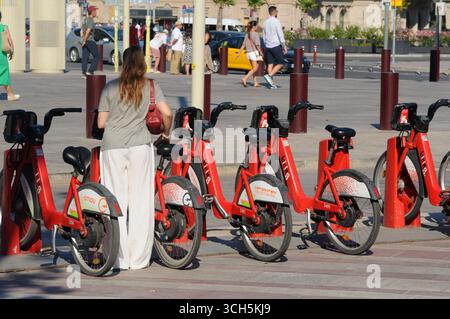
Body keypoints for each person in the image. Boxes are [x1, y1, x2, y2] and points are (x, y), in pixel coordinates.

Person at [97, 46, 173, 270]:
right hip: (140, 146)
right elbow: (167, 113)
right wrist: (166, 133)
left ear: (123, 62)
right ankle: (139, 259)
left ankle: (118, 258)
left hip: (113, 147)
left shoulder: (110, 87)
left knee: (115, 201)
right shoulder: (151, 86)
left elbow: (101, 123)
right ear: (143, 63)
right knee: (142, 202)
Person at [262, 6, 287, 89]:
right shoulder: (276, 21)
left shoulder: (265, 22)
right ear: (275, 12)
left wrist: (266, 44)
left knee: (270, 64)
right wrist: (284, 45)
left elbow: (264, 35)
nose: (277, 12)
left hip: (267, 46)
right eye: (277, 11)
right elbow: (280, 34)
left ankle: (271, 84)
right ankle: (269, 76)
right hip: (275, 45)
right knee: (281, 63)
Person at [0, 11, 19, 101]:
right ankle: (10, 95)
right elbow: (10, 41)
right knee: (4, 74)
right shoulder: (4, 27)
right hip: (2, 56)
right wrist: (12, 52)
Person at [237, 21, 262, 88]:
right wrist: (261, 52)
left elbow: (243, 45)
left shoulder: (247, 34)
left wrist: (239, 53)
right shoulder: (255, 34)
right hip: (254, 53)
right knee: (255, 68)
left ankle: (255, 82)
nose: (257, 27)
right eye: (257, 26)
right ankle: (245, 78)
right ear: (253, 26)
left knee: (253, 68)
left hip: (248, 53)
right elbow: (257, 45)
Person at [81, 5, 100, 78]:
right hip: (90, 40)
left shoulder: (85, 19)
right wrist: (85, 40)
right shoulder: (90, 20)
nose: (96, 12)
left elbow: (81, 31)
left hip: (85, 40)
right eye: (95, 11)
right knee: (97, 56)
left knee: (85, 57)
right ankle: (90, 71)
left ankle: (84, 73)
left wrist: (83, 40)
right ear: (91, 12)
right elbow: (88, 31)